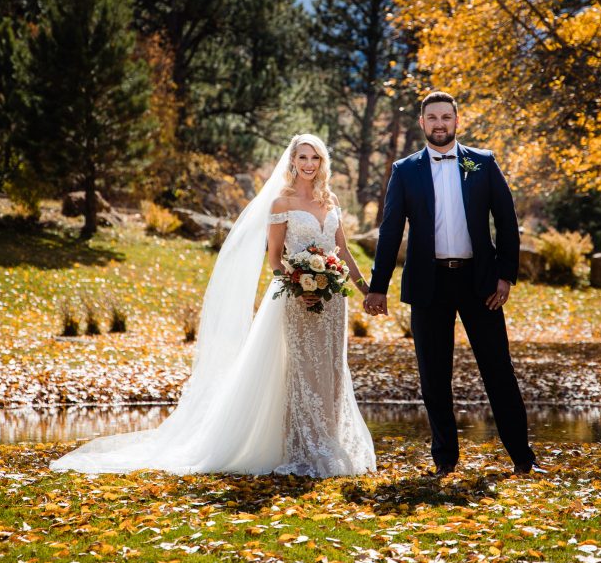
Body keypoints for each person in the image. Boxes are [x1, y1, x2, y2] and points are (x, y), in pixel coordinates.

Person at [51, 133, 375, 478]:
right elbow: (275, 259)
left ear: (323, 163)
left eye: (316, 158)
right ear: (292, 161)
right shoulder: (282, 202)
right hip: (297, 298)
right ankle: (306, 447)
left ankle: (331, 438)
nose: (309, 164)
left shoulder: (331, 199)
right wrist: (298, 284)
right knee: (303, 372)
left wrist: (364, 287)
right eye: (303, 158)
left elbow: (342, 250)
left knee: (332, 371)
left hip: (332, 301)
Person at [364, 91, 538, 476]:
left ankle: (523, 460)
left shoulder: (483, 163)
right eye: (432, 118)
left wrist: (505, 275)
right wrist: (379, 285)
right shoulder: (404, 170)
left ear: (456, 121)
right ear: (422, 123)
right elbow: (390, 231)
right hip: (429, 284)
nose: (439, 124)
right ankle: (445, 461)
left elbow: (507, 224)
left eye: (446, 117)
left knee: (498, 370)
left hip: (480, 282)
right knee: (433, 375)